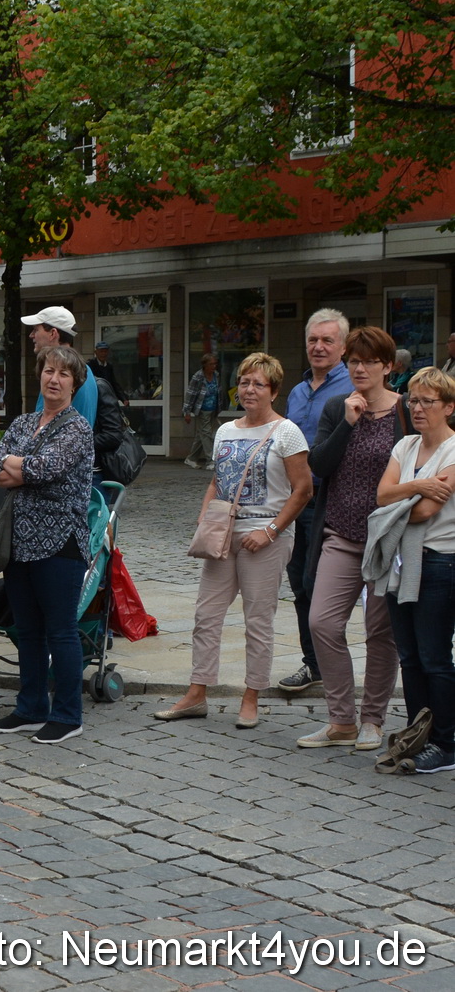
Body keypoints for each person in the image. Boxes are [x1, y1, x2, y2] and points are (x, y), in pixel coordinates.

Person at [156, 353, 312, 729]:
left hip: (266, 536)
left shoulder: (287, 432)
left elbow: (303, 489)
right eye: (244, 382)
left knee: (258, 620)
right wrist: (206, 514)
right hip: (225, 533)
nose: (250, 389)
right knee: (206, 615)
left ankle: (251, 696)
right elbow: (217, 481)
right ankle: (196, 693)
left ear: (273, 390)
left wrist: (271, 530)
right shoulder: (226, 431)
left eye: (259, 384)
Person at [0, 345, 96, 745]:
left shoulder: (77, 428)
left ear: (75, 383)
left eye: (64, 374)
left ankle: (68, 715)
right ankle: (30, 708)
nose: (54, 379)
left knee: (61, 631)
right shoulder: (25, 421)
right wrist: (22, 468)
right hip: (19, 540)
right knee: (27, 629)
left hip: (59, 542)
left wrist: (19, 466)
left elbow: (47, 468)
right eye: (49, 371)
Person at [299, 327, 406, 752]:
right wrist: (347, 422)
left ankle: (373, 720)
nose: (360, 368)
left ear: (388, 367)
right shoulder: (334, 407)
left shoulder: (405, 412)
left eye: (369, 361)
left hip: (388, 541)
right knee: (322, 622)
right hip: (340, 533)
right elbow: (319, 466)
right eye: (354, 362)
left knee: (381, 633)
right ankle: (340, 719)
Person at [373, 367, 455, 774]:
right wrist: (419, 485)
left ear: (449, 407)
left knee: (435, 656)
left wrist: (405, 498)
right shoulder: (405, 446)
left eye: (427, 401)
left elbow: (424, 513)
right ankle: (417, 733)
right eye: (412, 400)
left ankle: (446, 742)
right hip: (400, 561)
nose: (417, 408)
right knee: (409, 656)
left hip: (439, 561)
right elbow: (383, 494)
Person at [280, 309, 354, 694]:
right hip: (296, 502)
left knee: (321, 587)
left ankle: (332, 665)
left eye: (328, 340)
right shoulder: (297, 390)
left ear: (342, 346)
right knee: (299, 586)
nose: (319, 347)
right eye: (313, 340)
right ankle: (314, 665)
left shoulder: (349, 390)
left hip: (330, 502)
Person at [182, 353, 223, 469]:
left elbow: (218, 392)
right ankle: (210, 461)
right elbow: (190, 394)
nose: (214, 366)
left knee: (202, 435)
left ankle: (191, 458)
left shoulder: (216, 375)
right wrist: (187, 411)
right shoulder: (198, 377)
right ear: (204, 365)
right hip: (202, 409)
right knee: (206, 434)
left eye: (215, 364)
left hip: (213, 409)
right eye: (211, 364)